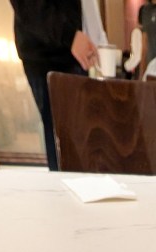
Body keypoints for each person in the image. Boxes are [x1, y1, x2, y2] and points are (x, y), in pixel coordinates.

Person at [8, 0, 105, 171]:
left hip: (72, 52)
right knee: (63, 145)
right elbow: (28, 6)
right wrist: (70, 35)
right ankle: (62, 191)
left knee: (78, 144)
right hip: (47, 54)